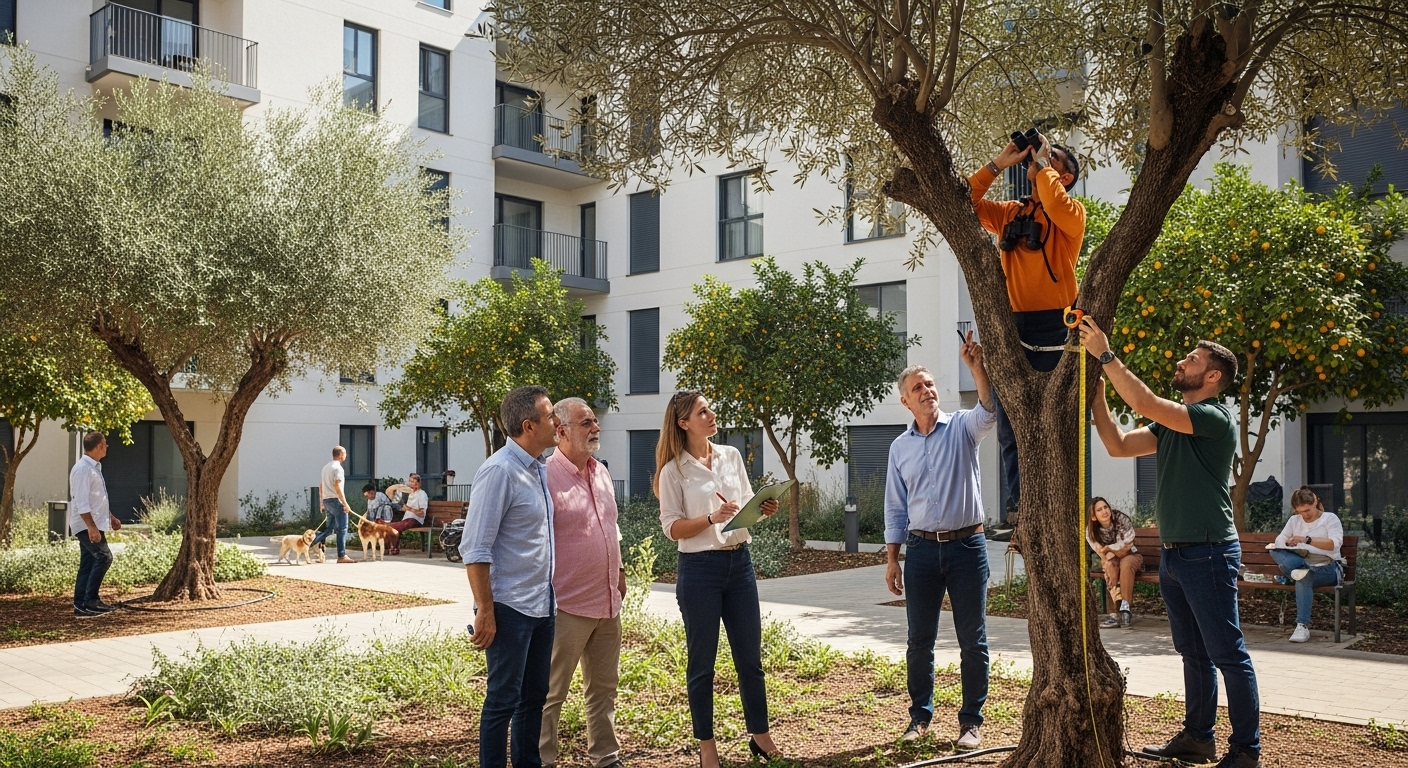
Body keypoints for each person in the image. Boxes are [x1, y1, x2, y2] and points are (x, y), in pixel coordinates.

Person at [1082, 318, 1261, 768]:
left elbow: (1144, 400)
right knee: (1193, 652)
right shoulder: (1171, 426)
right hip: (1177, 555)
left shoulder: (1213, 417)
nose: (1182, 362)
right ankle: (1198, 738)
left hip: (1209, 551)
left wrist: (1106, 355)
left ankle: (1246, 752)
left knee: (1228, 654)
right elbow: (1119, 445)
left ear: (1213, 376)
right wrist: (1098, 400)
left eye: (1193, 360)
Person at [656, 390, 782, 768]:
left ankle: (760, 736)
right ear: (684, 423)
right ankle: (706, 746)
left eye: (710, 409)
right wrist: (711, 518)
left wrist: (764, 509)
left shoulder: (731, 455)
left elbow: (744, 507)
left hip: (739, 564)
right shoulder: (673, 470)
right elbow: (672, 528)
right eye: (703, 411)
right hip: (699, 572)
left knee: (750, 659)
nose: (712, 415)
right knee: (702, 664)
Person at [884, 333, 995, 751]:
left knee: (973, 639)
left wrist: (976, 369)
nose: (927, 391)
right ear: (906, 402)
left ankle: (971, 723)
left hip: (968, 548)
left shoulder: (962, 427)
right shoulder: (899, 448)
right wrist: (893, 559)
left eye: (930, 384)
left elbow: (988, 410)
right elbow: (895, 507)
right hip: (922, 552)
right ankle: (920, 717)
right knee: (919, 640)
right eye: (918, 388)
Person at [969, 134, 1084, 523]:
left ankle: (1058, 506)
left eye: (1053, 160)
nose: (1038, 159)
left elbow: (1051, 201)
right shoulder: (1012, 213)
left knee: (1052, 422)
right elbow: (962, 203)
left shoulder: (1070, 213)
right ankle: (1019, 508)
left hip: (1055, 324)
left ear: (1063, 176)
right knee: (1009, 424)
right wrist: (998, 164)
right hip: (1011, 325)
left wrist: (1044, 161)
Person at [460, 385, 560, 768]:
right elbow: (476, 547)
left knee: (535, 697)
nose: (557, 422)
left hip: (541, 604)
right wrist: (485, 610)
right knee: (502, 700)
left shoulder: (538, 469)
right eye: (550, 415)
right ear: (528, 425)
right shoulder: (499, 471)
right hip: (508, 607)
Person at [540, 398, 628, 768]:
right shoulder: (544, 476)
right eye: (585, 423)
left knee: (604, 689)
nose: (596, 428)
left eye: (595, 421)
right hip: (566, 606)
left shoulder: (602, 472)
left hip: (608, 602)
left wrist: (620, 571)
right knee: (550, 693)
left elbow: (611, 526)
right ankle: (541, 760)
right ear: (560, 431)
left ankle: (606, 757)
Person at [1267, 486, 1344, 644]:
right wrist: (1286, 543)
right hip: (1302, 563)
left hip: (1328, 568)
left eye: (1308, 510)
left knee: (1302, 576)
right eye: (1300, 511)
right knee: (1275, 551)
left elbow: (1334, 545)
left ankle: (1302, 625)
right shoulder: (1294, 520)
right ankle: (1296, 574)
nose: (1305, 515)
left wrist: (1305, 540)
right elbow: (1280, 540)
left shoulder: (1330, 518)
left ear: (1315, 501)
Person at [69, 431, 121, 617]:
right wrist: (91, 527)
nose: (107, 447)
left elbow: (96, 499)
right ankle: (90, 601)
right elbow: (81, 501)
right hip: (86, 524)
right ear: (99, 446)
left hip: (93, 522)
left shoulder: (93, 468)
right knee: (104, 557)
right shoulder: (83, 469)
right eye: (105, 444)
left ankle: (81, 605)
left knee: (89, 562)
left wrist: (111, 517)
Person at [1086, 497, 1142, 629]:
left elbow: (1127, 547)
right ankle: (1114, 614)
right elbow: (1102, 554)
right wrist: (1112, 552)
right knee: (1110, 566)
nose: (1105, 511)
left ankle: (1125, 608)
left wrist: (1110, 549)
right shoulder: (1091, 532)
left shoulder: (1121, 519)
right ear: (1094, 517)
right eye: (1099, 510)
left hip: (1132, 555)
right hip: (1112, 560)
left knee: (1126, 564)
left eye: (1106, 507)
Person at [312, 446, 357, 563]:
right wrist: (345, 504)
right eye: (345, 453)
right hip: (336, 501)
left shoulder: (326, 468)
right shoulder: (338, 469)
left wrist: (322, 502)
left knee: (329, 529)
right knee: (342, 529)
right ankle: (341, 556)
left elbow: (321, 485)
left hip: (327, 501)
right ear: (341, 454)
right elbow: (337, 486)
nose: (346, 456)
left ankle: (308, 543)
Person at [384, 474, 430, 555]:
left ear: (418, 483)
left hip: (416, 520)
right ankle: (389, 548)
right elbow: (407, 509)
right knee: (392, 527)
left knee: (391, 527)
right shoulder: (411, 494)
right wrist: (401, 508)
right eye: (410, 481)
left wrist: (409, 509)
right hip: (407, 519)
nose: (410, 483)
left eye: (412, 482)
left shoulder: (422, 494)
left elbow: (422, 514)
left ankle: (393, 548)